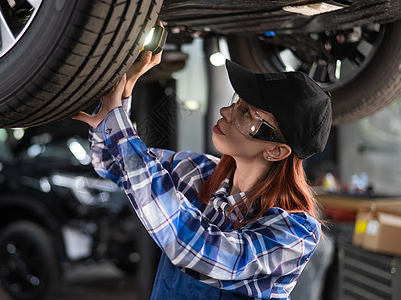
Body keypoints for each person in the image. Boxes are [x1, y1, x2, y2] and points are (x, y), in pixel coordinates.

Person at [72, 51, 332, 299]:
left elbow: (194, 247)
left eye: (247, 115)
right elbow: (112, 162)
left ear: (276, 150)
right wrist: (124, 93)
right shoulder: (199, 171)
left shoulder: (295, 233)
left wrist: (118, 126)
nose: (226, 113)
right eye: (236, 102)